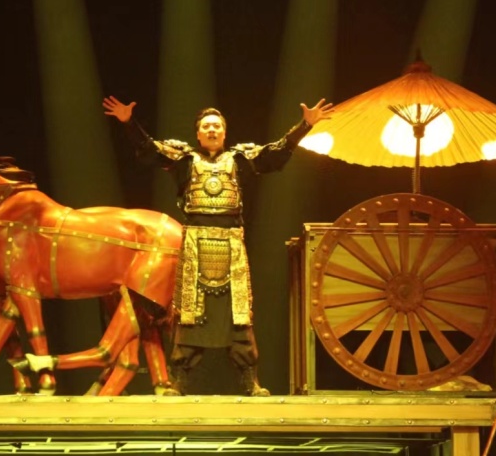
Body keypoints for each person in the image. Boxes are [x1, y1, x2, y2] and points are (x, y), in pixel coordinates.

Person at [103, 95, 335, 395]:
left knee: (239, 313)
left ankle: (250, 382)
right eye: (206, 126)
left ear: (225, 132)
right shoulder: (184, 159)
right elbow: (150, 151)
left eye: (217, 126)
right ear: (198, 134)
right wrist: (128, 123)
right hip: (195, 245)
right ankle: (178, 383)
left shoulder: (239, 159)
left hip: (231, 244)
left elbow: (274, 155)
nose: (212, 130)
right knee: (189, 312)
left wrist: (305, 125)